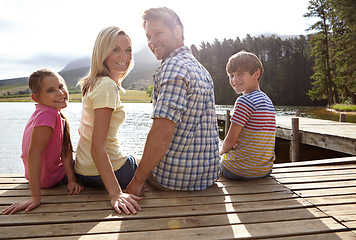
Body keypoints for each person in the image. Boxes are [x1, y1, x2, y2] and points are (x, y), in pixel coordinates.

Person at [126, 7, 221, 196]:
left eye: (158, 33)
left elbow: (163, 130)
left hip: (174, 179)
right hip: (208, 176)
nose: (152, 42)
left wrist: (137, 181)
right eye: (148, 37)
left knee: (121, 165)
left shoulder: (172, 67)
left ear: (177, 31)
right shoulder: (201, 69)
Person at [75, 26, 142, 215]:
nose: (125, 56)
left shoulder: (93, 83)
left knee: (139, 158)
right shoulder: (107, 87)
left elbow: (85, 133)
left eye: (128, 50)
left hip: (83, 170)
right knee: (160, 163)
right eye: (116, 49)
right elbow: (97, 145)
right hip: (111, 172)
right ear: (102, 52)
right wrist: (116, 193)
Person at [2, 69, 83, 215]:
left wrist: (72, 180)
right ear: (36, 98)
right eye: (50, 90)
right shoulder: (48, 115)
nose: (60, 93)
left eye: (60, 86)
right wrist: (35, 198)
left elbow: (65, 149)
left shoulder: (46, 112)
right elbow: (33, 155)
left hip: (39, 177)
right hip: (51, 179)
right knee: (92, 162)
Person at [219, 51, 276, 180]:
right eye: (231, 75)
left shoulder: (244, 101)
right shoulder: (267, 100)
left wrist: (220, 151)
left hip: (239, 170)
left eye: (240, 74)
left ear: (256, 73)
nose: (234, 80)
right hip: (264, 170)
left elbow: (230, 141)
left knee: (213, 158)